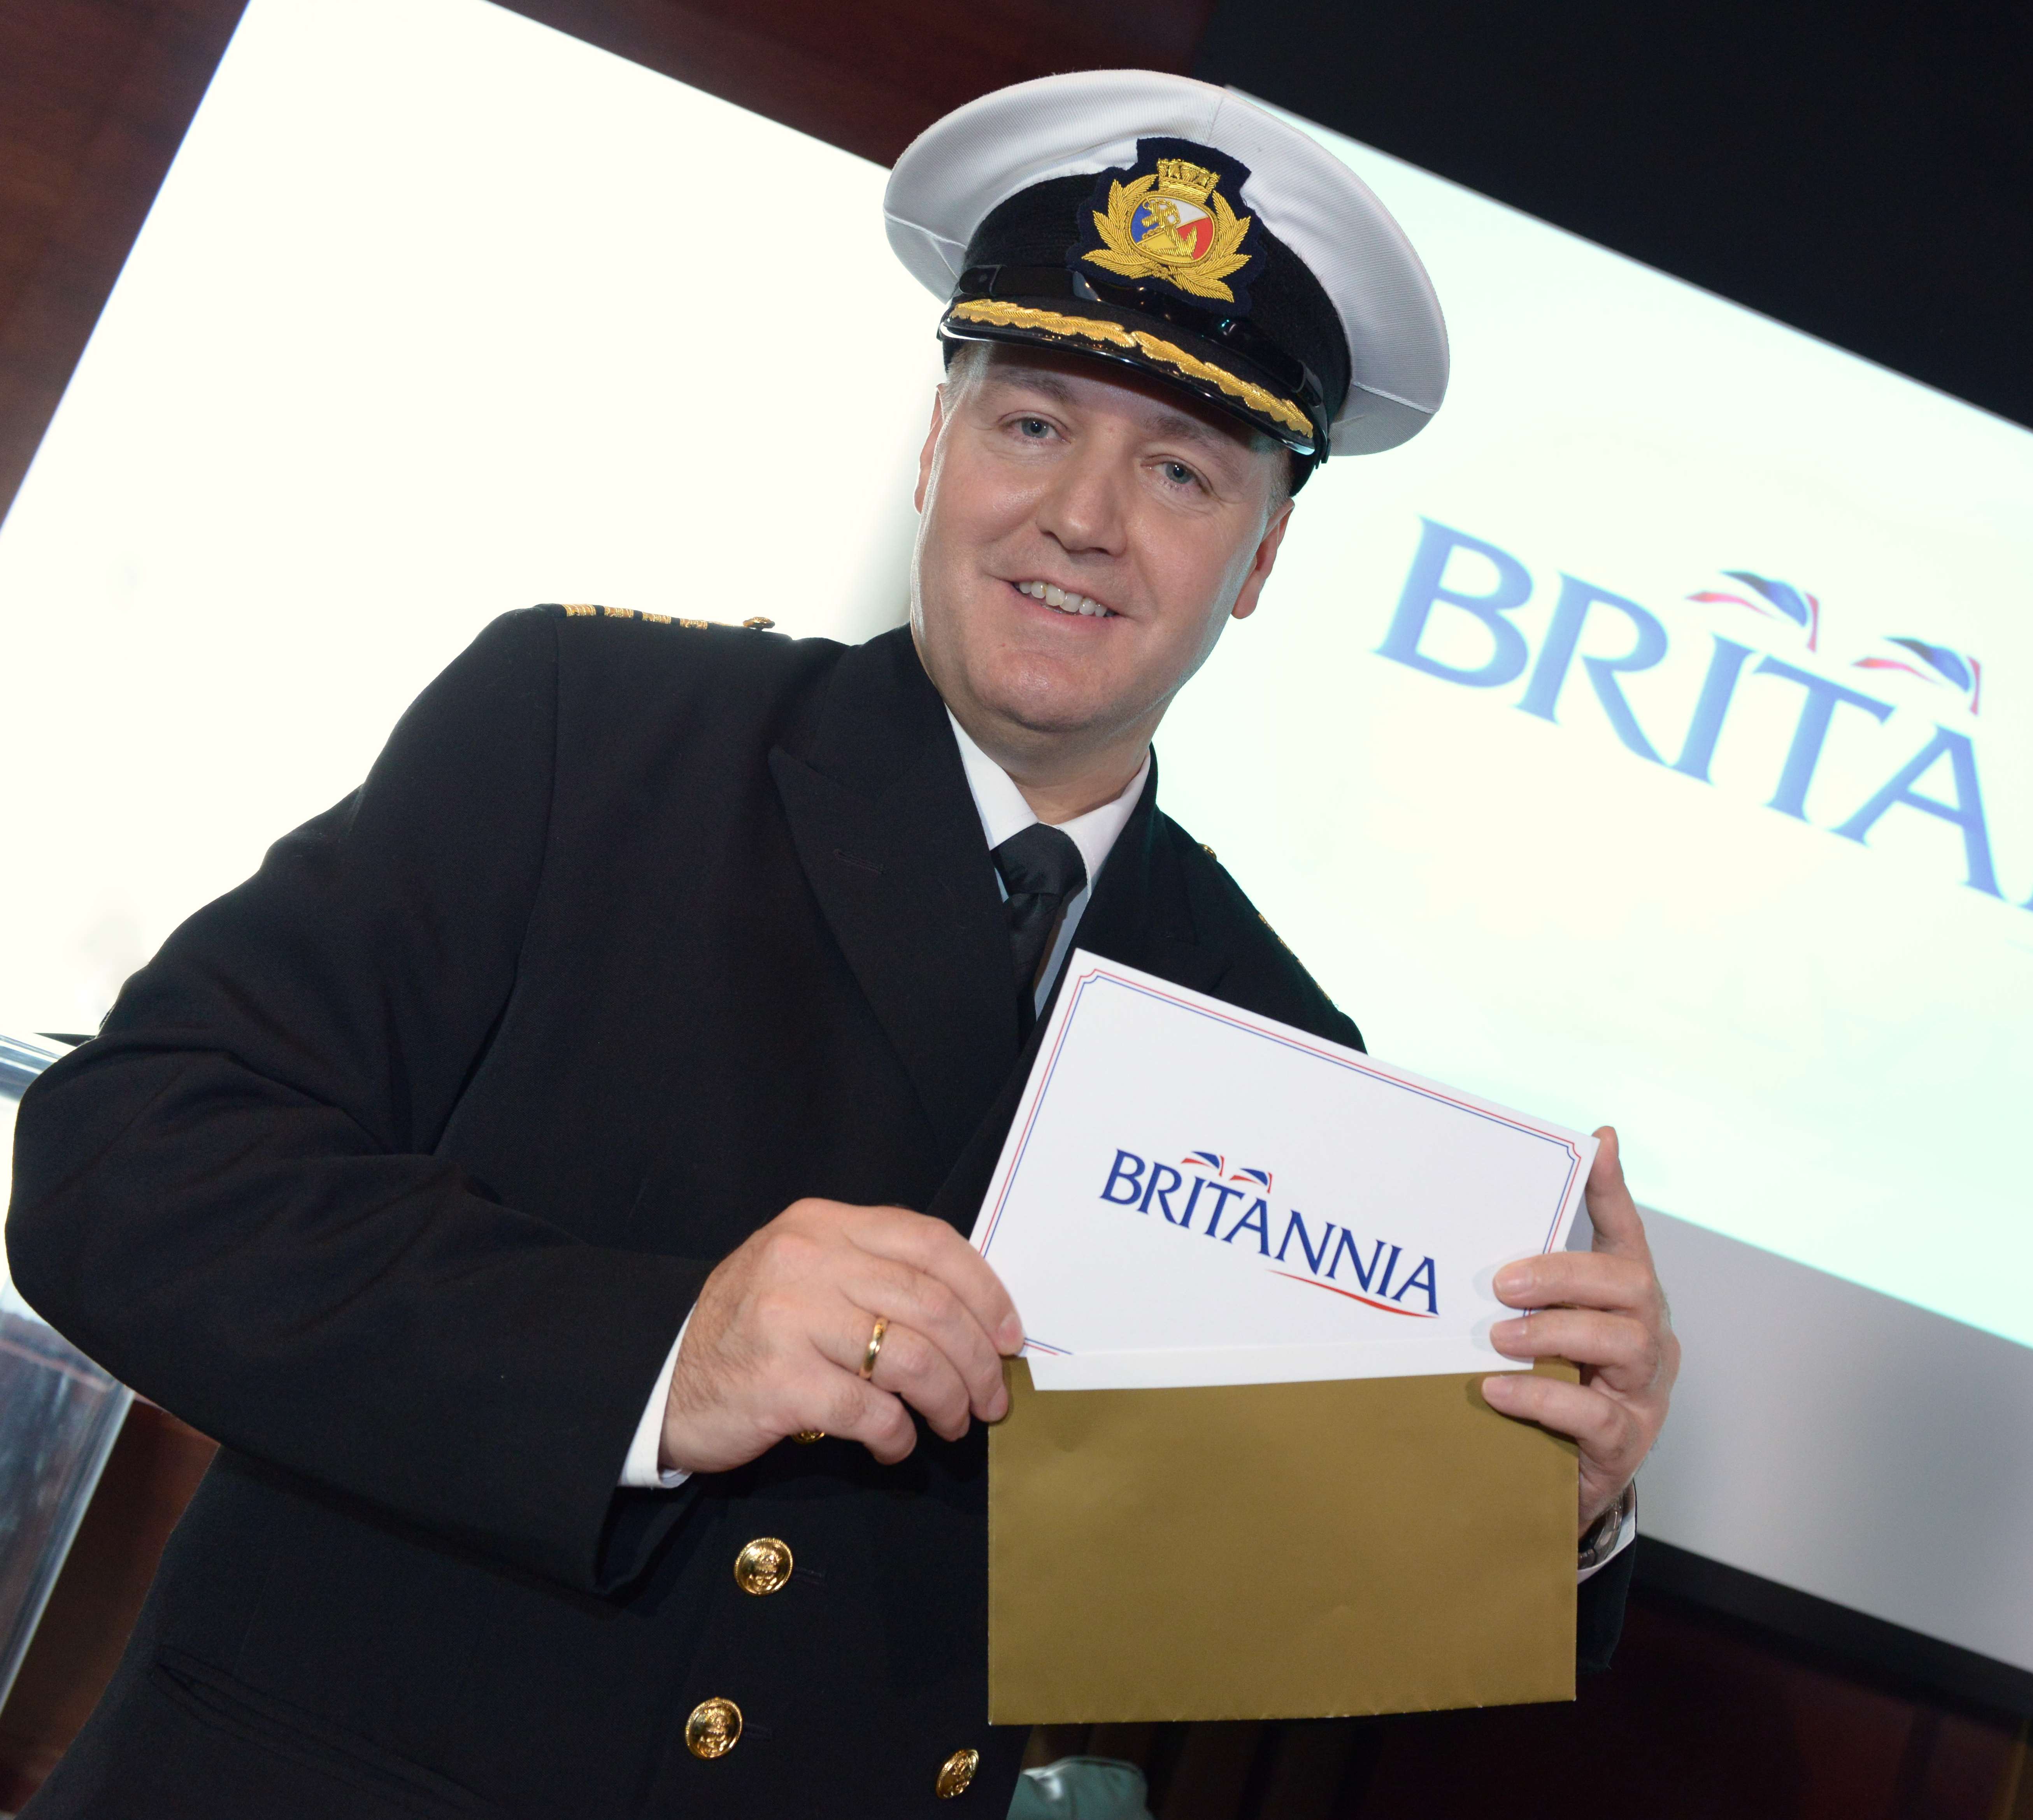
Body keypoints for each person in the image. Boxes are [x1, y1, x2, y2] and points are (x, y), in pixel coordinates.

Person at [6, 71, 1678, 1816]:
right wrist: (663, 1356)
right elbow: (121, 1170)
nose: (1084, 518)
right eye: (1032, 424)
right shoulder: (585, 731)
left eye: (1181, 471)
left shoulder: (1272, 1038)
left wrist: (1538, 1505)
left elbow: (1208, 1612)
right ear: (937, 445)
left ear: (1260, 557)